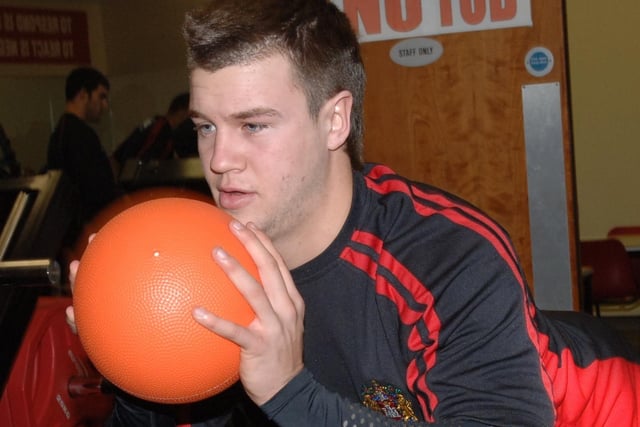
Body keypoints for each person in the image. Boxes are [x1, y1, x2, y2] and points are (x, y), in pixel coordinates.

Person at [67, 1, 640, 426]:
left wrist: (291, 393)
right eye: (206, 127)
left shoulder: (447, 258)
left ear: (335, 120)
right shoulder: (213, 264)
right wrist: (135, 365)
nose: (218, 160)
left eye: (254, 125)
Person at [47, 67, 118, 243]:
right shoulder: (81, 136)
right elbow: (98, 190)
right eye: (101, 96)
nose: (104, 105)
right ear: (83, 94)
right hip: (87, 231)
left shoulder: (59, 133)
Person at [111, 92, 198, 178]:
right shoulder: (162, 130)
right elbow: (145, 164)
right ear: (183, 112)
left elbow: (117, 156)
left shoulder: (155, 123)